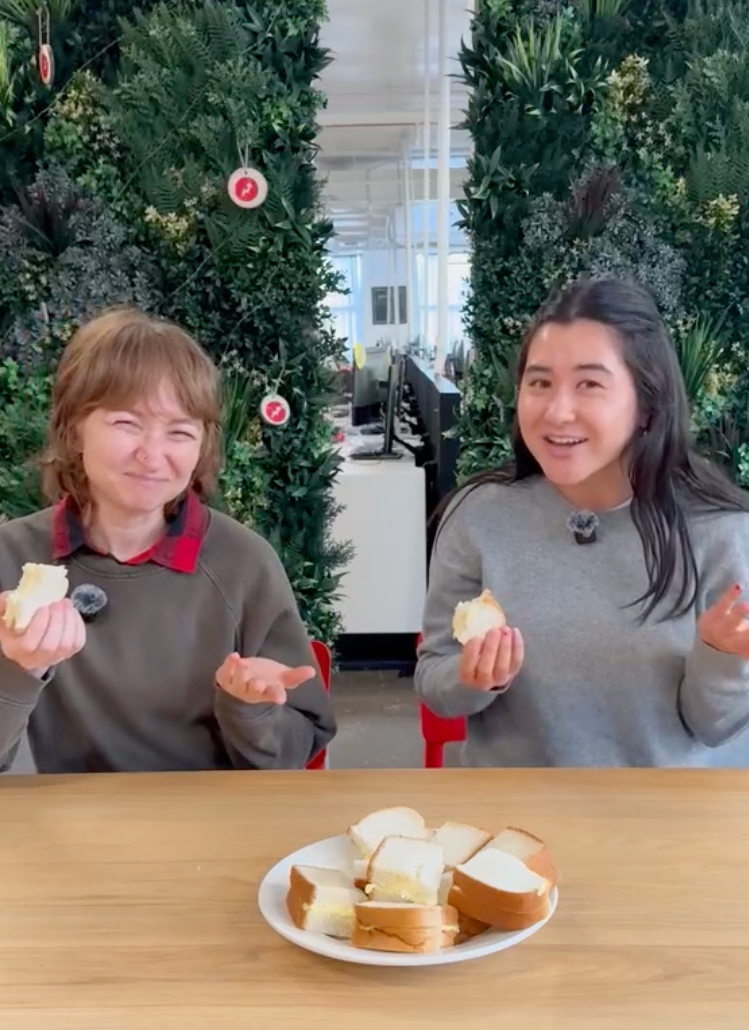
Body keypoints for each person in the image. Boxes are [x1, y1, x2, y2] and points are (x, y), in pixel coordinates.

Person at [415, 276, 749, 767]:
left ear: (647, 404)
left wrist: (722, 656)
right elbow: (434, 685)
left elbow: (715, 727)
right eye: (540, 382)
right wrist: (471, 678)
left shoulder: (720, 532)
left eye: (590, 384)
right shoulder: (480, 516)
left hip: (669, 823)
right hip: (516, 821)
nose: (557, 411)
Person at [0, 309, 336, 774]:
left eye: (179, 431)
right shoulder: (13, 559)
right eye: (126, 423)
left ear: (201, 447)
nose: (152, 455)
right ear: (74, 427)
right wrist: (18, 671)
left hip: (213, 826)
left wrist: (250, 709)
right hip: (71, 831)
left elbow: (298, 749)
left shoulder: (243, 564)